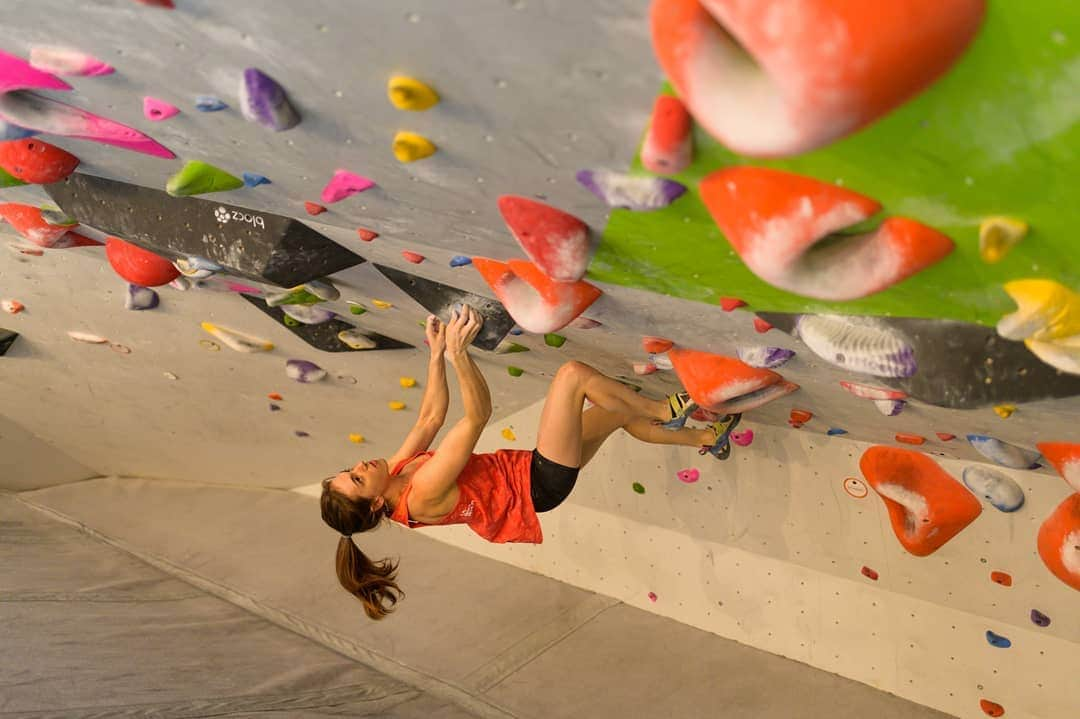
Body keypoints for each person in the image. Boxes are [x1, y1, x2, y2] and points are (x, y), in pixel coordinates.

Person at [320, 305, 739, 619]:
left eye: (350, 469)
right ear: (375, 504)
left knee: (616, 414)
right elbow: (477, 417)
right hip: (538, 483)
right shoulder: (422, 492)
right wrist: (459, 356)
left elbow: (429, 418)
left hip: (530, 482)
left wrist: (434, 357)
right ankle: (664, 411)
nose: (361, 465)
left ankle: (709, 435)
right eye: (357, 479)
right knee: (572, 376)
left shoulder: (390, 478)